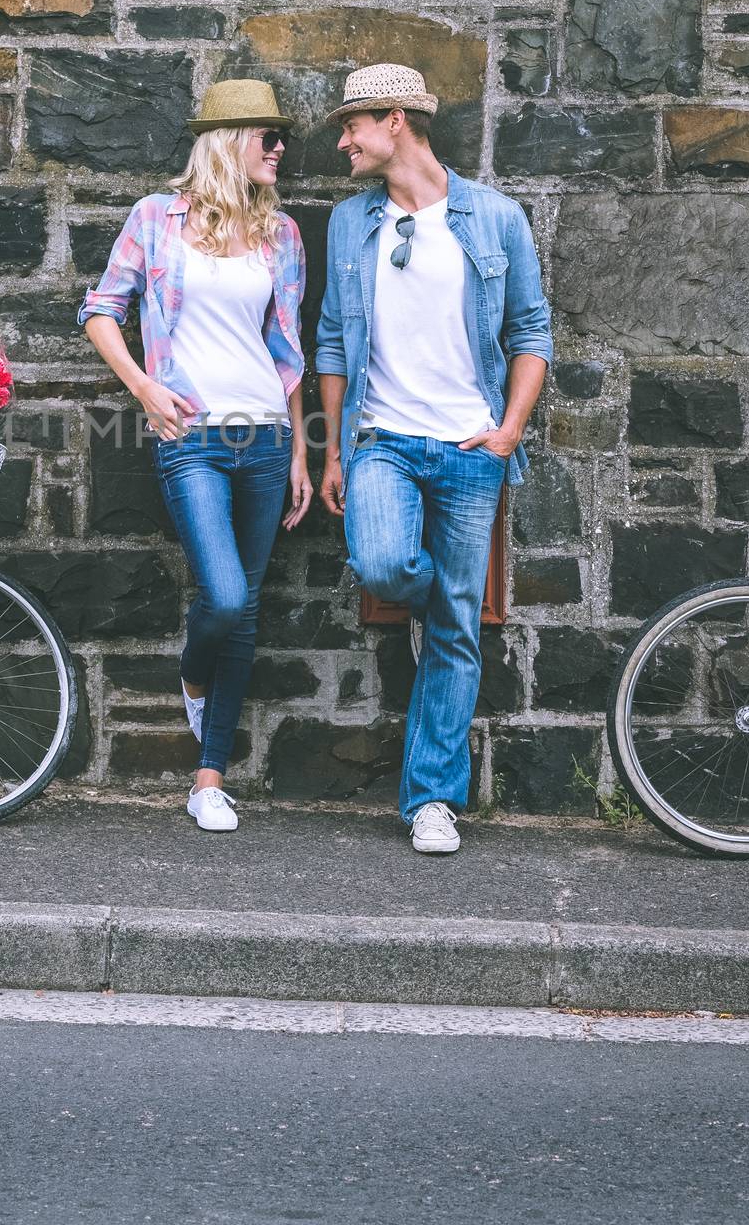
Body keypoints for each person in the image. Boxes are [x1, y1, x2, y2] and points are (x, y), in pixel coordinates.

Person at [315, 63, 552, 855]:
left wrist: (510, 429)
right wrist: (333, 446)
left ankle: (432, 802)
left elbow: (530, 334)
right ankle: (436, 600)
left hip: (469, 448)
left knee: (456, 629)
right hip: (380, 440)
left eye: (353, 124)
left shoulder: (494, 218)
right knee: (384, 564)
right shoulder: (352, 224)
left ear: (397, 122)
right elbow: (330, 342)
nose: (343, 140)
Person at [79, 79, 313, 833]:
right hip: (193, 437)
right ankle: (191, 670)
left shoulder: (283, 236)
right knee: (224, 598)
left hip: (268, 439)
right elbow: (100, 310)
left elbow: (291, 352)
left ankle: (209, 779)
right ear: (226, 141)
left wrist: (303, 452)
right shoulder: (155, 219)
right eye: (266, 137)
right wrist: (145, 388)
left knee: (244, 616)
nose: (279, 149)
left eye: (281, 139)